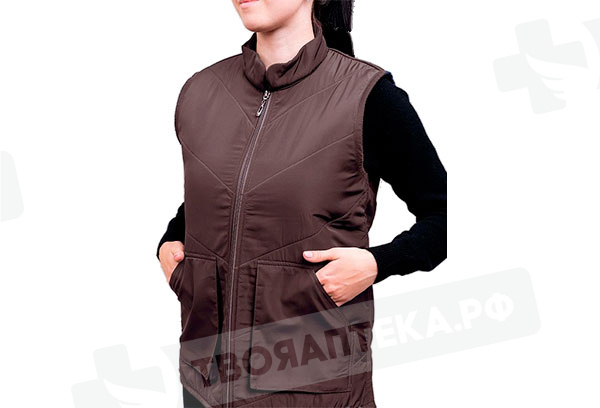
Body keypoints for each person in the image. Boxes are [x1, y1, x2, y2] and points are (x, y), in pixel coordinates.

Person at [158, 1, 447, 407]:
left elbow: (445, 215)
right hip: (204, 384)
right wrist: (171, 243)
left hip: (313, 392)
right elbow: (230, 194)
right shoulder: (202, 92)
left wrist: (379, 263)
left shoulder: (367, 96)